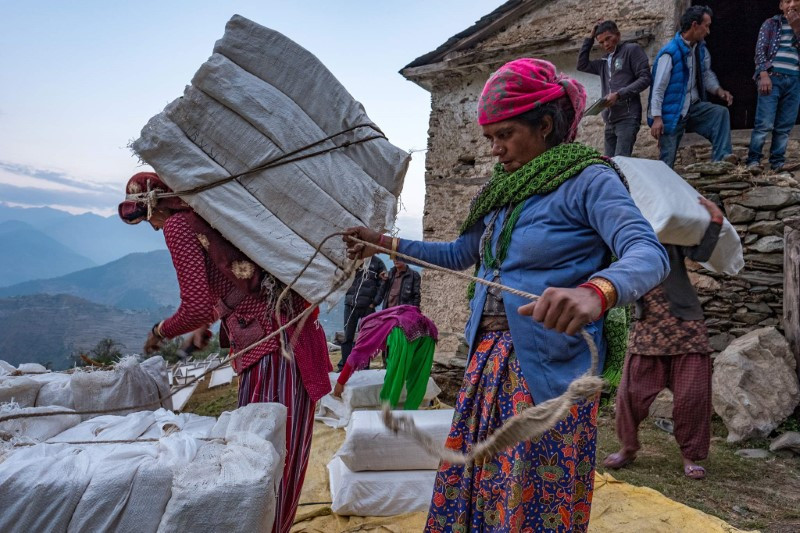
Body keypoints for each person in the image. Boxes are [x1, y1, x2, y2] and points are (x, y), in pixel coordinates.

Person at [344, 59, 668, 532]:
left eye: (505, 135)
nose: (495, 150)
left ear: (545, 126)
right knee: (482, 485)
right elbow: (459, 254)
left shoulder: (589, 179)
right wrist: (384, 242)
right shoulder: (503, 192)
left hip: (547, 368)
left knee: (530, 491)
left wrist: (595, 293)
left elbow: (647, 251)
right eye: (489, 138)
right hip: (488, 362)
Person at [118, 172, 330, 533]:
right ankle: (276, 524)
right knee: (286, 445)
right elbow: (236, 284)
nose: (151, 227)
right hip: (291, 334)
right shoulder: (207, 217)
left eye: (144, 216)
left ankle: (267, 525)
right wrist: (211, 320)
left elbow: (197, 306)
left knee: (264, 449)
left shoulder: (178, 226)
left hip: (271, 349)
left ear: (154, 203)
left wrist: (161, 331)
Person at [604, 197, 723, 481]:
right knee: (630, 395)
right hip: (649, 331)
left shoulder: (671, 240)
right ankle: (628, 448)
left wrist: (716, 220)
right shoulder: (627, 245)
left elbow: (702, 253)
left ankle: (690, 456)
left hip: (687, 330)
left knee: (692, 397)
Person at [648, 5, 737, 168]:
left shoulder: (700, 49)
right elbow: (658, 88)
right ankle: (662, 190)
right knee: (667, 161)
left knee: (719, 114)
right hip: (673, 112)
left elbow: (706, 74)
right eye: (707, 26)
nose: (708, 31)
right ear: (695, 25)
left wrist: (719, 90)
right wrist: (657, 118)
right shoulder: (669, 53)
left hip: (693, 107)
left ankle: (722, 163)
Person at [332, 304, 438, 410]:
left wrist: (340, 382)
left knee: (396, 372)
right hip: (429, 329)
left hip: (403, 329)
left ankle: (387, 412)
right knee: (419, 374)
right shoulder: (387, 318)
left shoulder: (369, 327)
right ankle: (411, 410)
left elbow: (355, 355)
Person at [577, 20, 652, 157]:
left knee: (621, 164)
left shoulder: (631, 50)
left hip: (628, 117)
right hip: (610, 121)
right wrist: (590, 38)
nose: (606, 44)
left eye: (608, 38)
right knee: (610, 166)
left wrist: (619, 94)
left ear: (617, 35)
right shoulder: (604, 62)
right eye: (601, 42)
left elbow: (645, 78)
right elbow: (581, 65)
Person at [746, 0, 800, 174]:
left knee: (785, 126)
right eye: (787, 1)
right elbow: (760, 50)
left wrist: (796, 27)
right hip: (772, 78)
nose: (791, 4)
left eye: (795, 0)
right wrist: (763, 75)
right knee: (764, 123)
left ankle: (777, 162)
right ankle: (753, 160)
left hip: (794, 80)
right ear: (781, 6)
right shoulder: (771, 23)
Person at [337, 256, 386, 371]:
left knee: (366, 339)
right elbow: (342, 275)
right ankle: (345, 367)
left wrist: (374, 303)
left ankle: (363, 366)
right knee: (347, 337)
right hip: (350, 305)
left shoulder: (378, 263)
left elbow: (382, 285)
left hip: (368, 307)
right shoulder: (353, 259)